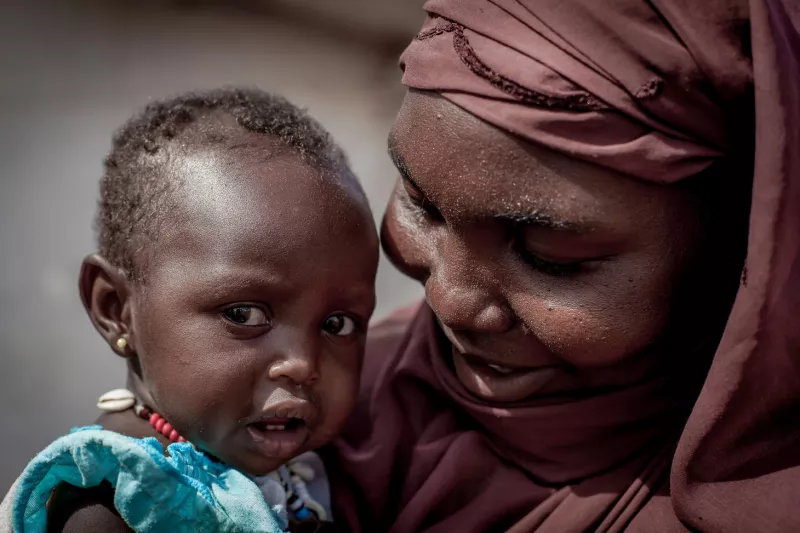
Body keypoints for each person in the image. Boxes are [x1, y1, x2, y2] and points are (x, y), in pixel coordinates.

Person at [322, 0, 800, 531]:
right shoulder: (312, 414)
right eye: (422, 204)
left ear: (747, 239)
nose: (449, 301)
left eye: (548, 258)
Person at [1, 88, 379, 533]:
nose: (301, 363)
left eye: (337, 324)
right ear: (116, 309)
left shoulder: (312, 473)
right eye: (243, 315)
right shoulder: (114, 500)